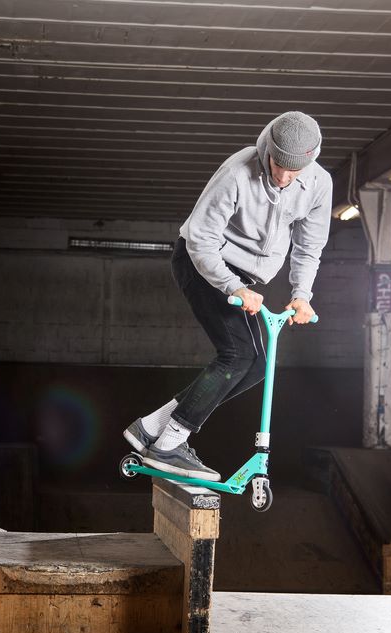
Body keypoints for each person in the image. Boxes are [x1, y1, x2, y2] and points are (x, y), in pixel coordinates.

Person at [123, 111, 333, 481]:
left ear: (311, 161)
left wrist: (302, 294)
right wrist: (233, 287)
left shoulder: (319, 184)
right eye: (278, 165)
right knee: (238, 355)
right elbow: (201, 240)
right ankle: (170, 444)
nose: (283, 177)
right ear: (269, 150)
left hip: (244, 277)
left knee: (257, 366)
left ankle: (151, 428)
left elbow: (309, 246)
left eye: (293, 172)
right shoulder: (238, 171)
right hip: (202, 263)